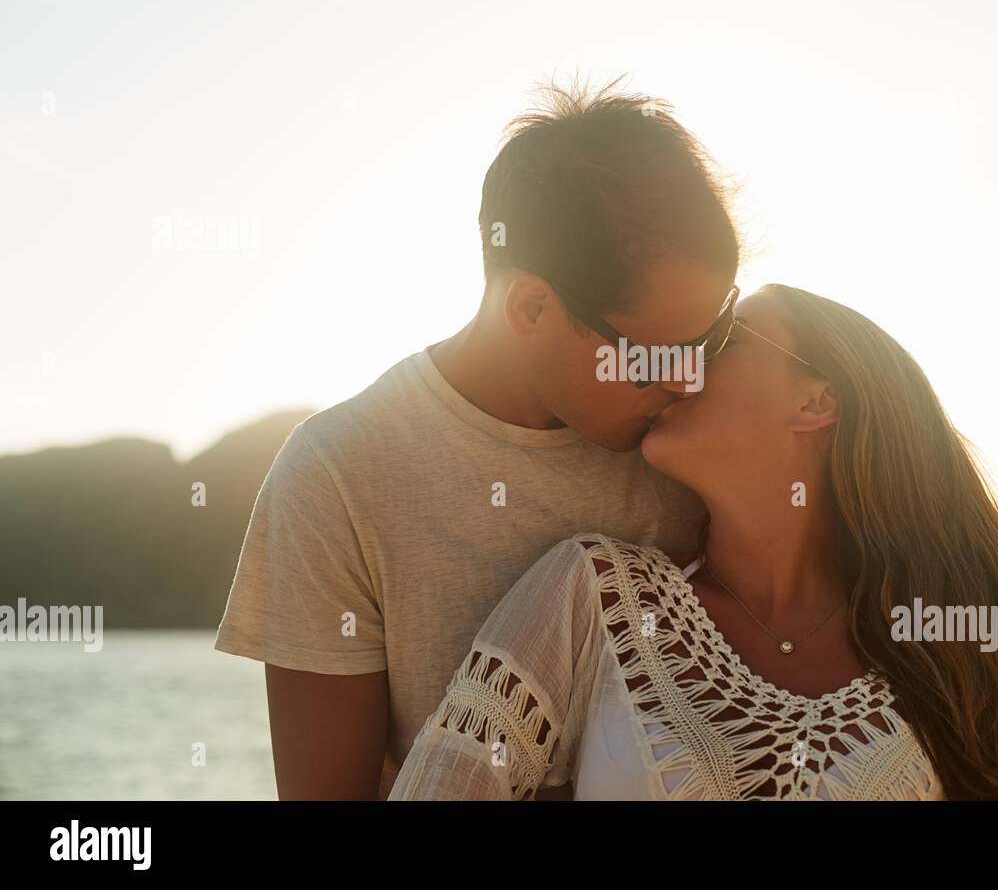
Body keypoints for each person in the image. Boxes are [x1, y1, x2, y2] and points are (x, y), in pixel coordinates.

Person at [213, 77, 740, 799]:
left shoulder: (699, 446)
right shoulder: (337, 475)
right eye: (657, 352)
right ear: (531, 306)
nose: (691, 379)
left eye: (714, 333)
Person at [389, 285, 998, 800]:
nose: (681, 363)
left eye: (723, 340)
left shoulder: (952, 657)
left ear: (814, 400)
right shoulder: (593, 595)